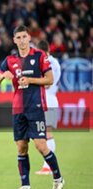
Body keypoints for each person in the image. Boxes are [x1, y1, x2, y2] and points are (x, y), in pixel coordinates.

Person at [0, 25, 65, 189]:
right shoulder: (9, 60)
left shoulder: (39, 56)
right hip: (18, 109)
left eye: (25, 37)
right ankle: (25, 186)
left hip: (36, 107)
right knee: (21, 147)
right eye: (19, 37)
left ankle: (58, 179)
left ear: (29, 38)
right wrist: (3, 76)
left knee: (41, 145)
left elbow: (49, 80)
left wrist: (30, 80)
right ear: (14, 40)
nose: (22, 40)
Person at [35, 40, 61, 175]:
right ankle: (47, 166)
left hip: (48, 100)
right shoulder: (55, 62)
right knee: (44, 133)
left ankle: (48, 166)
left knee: (47, 133)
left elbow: (47, 84)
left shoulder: (48, 62)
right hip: (48, 100)